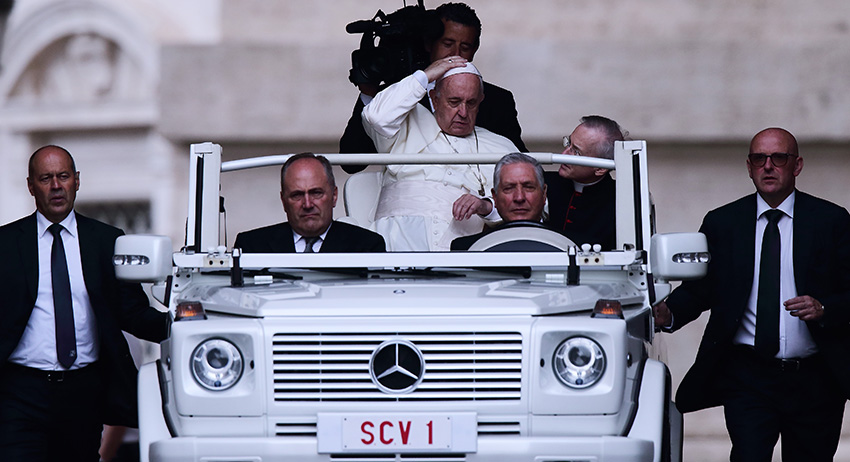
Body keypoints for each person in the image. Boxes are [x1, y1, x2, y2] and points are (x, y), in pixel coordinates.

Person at [652, 128, 850, 461]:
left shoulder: (831, 221)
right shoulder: (723, 223)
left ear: (797, 165)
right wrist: (668, 313)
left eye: (779, 158)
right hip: (748, 377)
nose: (768, 166)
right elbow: (701, 288)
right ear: (749, 166)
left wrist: (824, 307)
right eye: (759, 159)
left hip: (815, 379)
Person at [0, 145, 169, 461]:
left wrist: (179, 325)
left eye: (63, 176)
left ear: (77, 181)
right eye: (46, 178)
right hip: (20, 393)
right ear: (31, 186)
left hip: (83, 392)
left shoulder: (106, 240)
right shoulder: (6, 243)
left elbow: (131, 312)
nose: (56, 186)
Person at [339, 1, 526, 169]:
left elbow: (520, 164)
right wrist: (369, 95)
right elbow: (351, 162)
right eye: (447, 44)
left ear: (474, 50)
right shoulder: (395, 97)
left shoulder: (497, 100)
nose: (455, 54)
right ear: (429, 44)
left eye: (465, 47)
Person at [362, 57, 518, 251]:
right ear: (434, 99)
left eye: (471, 103)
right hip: (395, 244)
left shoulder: (501, 146)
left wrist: (487, 206)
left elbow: (530, 204)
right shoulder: (405, 125)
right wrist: (424, 76)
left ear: (481, 101)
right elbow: (375, 116)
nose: (463, 112)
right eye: (454, 102)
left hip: (463, 252)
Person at [234, 153, 386, 253]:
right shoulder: (251, 246)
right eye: (297, 195)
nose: (307, 204)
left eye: (316, 193)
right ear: (283, 201)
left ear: (334, 196)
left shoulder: (367, 245)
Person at [544, 115, 622, 250]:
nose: (564, 154)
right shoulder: (543, 184)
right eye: (568, 143)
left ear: (600, 168)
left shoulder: (620, 201)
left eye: (576, 152)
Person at [451, 152, 548, 250]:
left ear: (544, 194)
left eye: (528, 187)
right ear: (495, 197)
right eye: (509, 188)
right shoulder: (466, 249)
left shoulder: (559, 240)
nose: (519, 197)